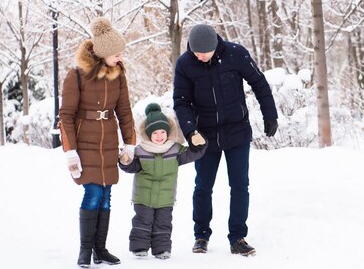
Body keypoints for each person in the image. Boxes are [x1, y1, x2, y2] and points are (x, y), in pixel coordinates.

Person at [173, 23, 279, 256]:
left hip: (237, 131)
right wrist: (191, 131)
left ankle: (238, 237)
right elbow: (181, 101)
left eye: (203, 52)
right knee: (203, 186)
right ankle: (201, 235)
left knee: (240, 185)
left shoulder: (235, 54)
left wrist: (270, 115)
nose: (199, 56)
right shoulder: (185, 64)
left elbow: (259, 83)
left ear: (215, 47)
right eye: (195, 52)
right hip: (205, 136)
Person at [59, 17, 136, 268]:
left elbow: (124, 111)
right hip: (85, 142)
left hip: (108, 141)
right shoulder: (77, 76)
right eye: (116, 53)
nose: (120, 57)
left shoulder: (118, 75)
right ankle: (85, 250)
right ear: (102, 53)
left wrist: (130, 143)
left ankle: (100, 249)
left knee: (106, 194)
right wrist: (71, 152)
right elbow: (66, 116)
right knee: (93, 193)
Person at [118, 103, 207, 259]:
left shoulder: (175, 149)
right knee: (142, 222)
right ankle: (139, 247)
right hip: (143, 196)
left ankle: (162, 249)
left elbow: (193, 153)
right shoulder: (140, 150)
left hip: (166, 198)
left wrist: (200, 143)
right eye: (155, 133)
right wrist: (125, 161)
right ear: (148, 134)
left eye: (162, 132)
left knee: (163, 224)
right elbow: (132, 166)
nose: (159, 136)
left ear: (168, 132)